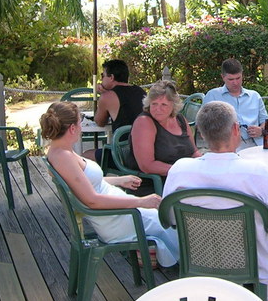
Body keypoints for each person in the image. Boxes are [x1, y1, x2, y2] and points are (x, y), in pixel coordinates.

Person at [163, 101, 268, 301]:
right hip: (253, 261)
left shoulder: (180, 170)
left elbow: (169, 220)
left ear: (201, 134)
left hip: (200, 256)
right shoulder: (257, 172)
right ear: (236, 129)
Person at [41, 101, 179, 267]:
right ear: (72, 128)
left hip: (118, 212)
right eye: (80, 121)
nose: (81, 126)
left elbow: (86, 183)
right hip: (115, 219)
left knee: (169, 215)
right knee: (172, 221)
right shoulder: (64, 157)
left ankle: (178, 259)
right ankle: (189, 264)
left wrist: (120, 180)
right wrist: (141, 201)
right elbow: (92, 200)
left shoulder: (61, 151)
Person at [129, 80, 201, 189]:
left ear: (173, 105)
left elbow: (194, 151)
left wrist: (203, 165)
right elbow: (147, 165)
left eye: (164, 104)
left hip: (184, 179)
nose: (158, 109)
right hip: (157, 184)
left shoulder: (180, 119)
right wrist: (182, 172)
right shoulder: (144, 122)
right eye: (154, 104)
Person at [82, 59, 145, 163]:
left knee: (85, 156)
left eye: (102, 76)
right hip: (145, 149)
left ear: (111, 77)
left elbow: (99, 122)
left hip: (125, 154)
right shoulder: (140, 91)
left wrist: (103, 95)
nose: (101, 80)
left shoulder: (107, 97)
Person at [203, 58, 268, 150]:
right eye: (231, 79)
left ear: (242, 75)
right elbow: (203, 125)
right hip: (226, 146)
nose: (235, 83)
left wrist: (261, 130)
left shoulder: (254, 96)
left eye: (238, 78)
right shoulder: (213, 96)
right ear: (223, 77)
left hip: (256, 143)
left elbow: (267, 121)